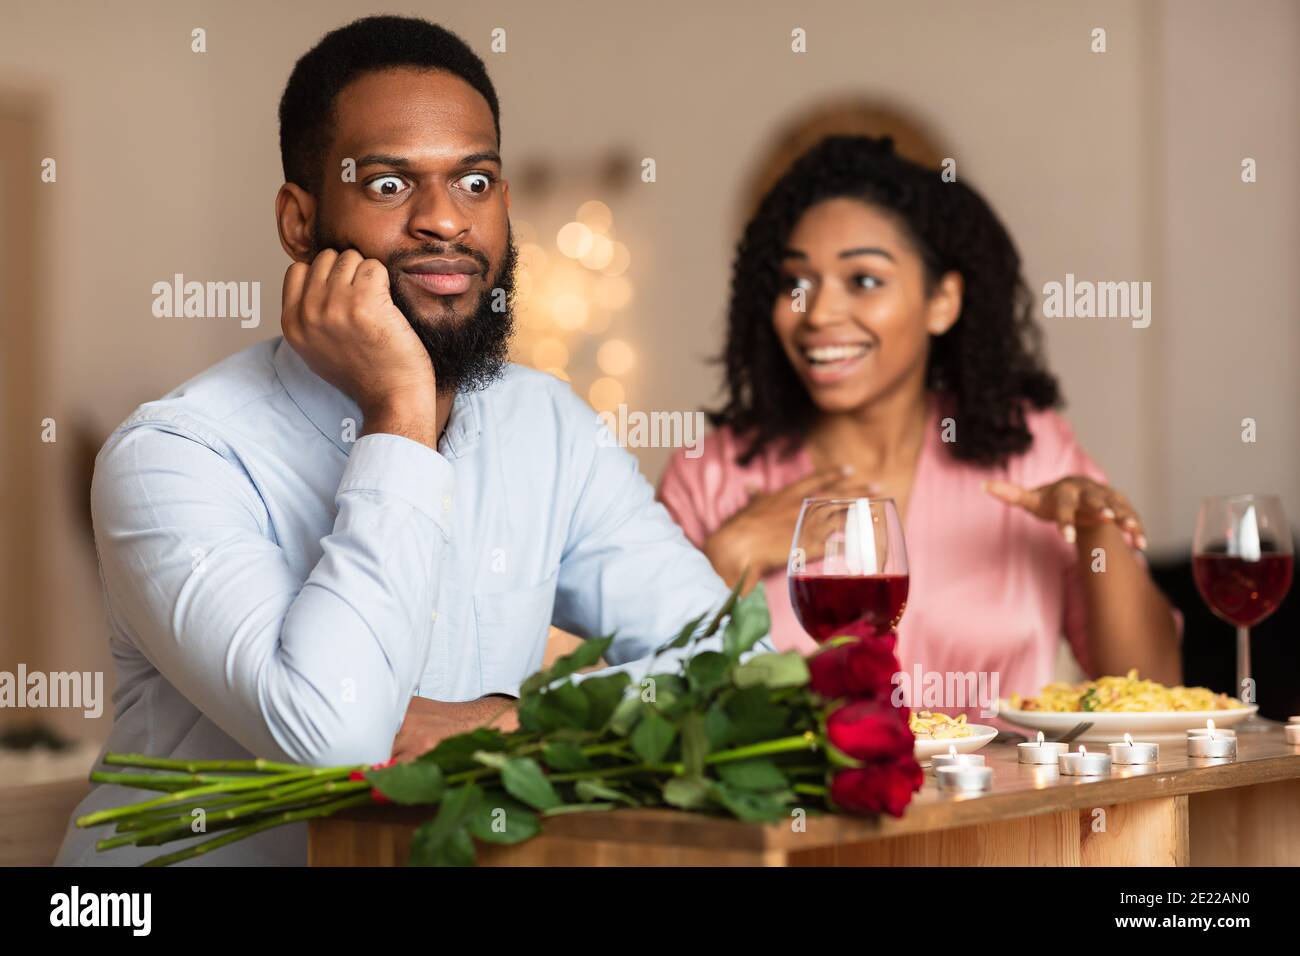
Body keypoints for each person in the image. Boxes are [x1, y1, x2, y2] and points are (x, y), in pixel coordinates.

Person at [56, 15, 756, 867]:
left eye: (475, 182)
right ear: (298, 222)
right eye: (390, 185)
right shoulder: (173, 457)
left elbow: (729, 664)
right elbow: (336, 742)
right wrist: (400, 406)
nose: (444, 222)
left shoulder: (550, 429)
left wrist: (501, 715)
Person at [657, 135, 1182, 720]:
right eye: (794, 284)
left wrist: (1096, 532)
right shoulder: (711, 473)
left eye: (863, 281)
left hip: (1011, 812)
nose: (819, 313)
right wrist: (729, 555)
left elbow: (1155, 692)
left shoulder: (1027, 452)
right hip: (792, 814)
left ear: (943, 302)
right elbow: (640, 707)